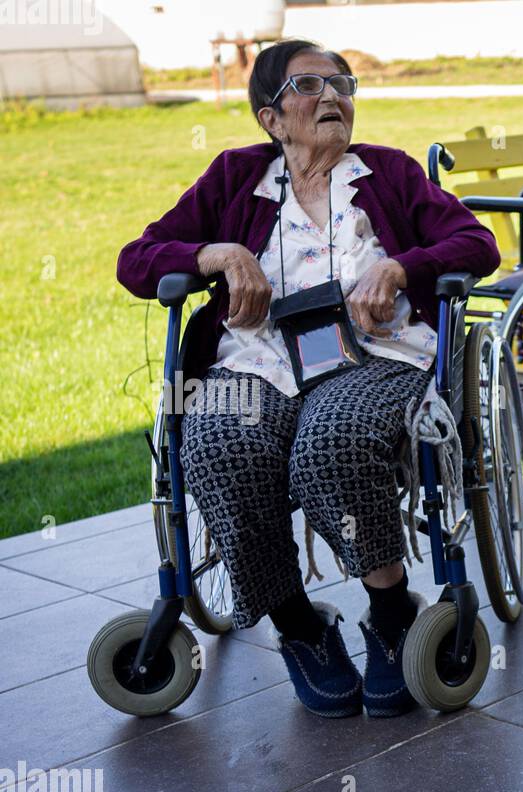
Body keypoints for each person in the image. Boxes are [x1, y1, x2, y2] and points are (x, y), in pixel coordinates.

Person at [117, 40, 499, 718]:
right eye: (309, 86)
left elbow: (476, 244)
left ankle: (389, 612)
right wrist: (220, 252)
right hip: (257, 361)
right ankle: (299, 625)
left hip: (376, 354)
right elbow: (138, 259)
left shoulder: (389, 173)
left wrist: (399, 267)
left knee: (333, 441)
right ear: (271, 117)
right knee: (218, 447)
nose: (331, 96)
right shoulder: (236, 178)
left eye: (342, 82)